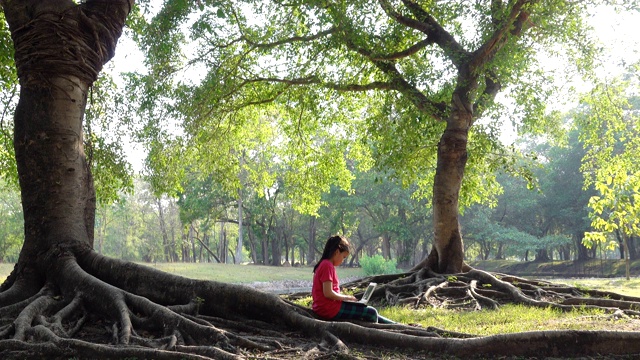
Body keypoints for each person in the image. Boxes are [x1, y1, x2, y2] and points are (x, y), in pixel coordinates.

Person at [312, 235, 396, 324]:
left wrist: (346, 300)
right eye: (343, 257)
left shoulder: (324, 264)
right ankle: (375, 334)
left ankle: (395, 325)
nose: (343, 260)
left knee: (367, 310)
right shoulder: (327, 265)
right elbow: (328, 293)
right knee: (372, 312)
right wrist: (346, 297)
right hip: (329, 309)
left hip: (326, 307)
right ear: (336, 252)